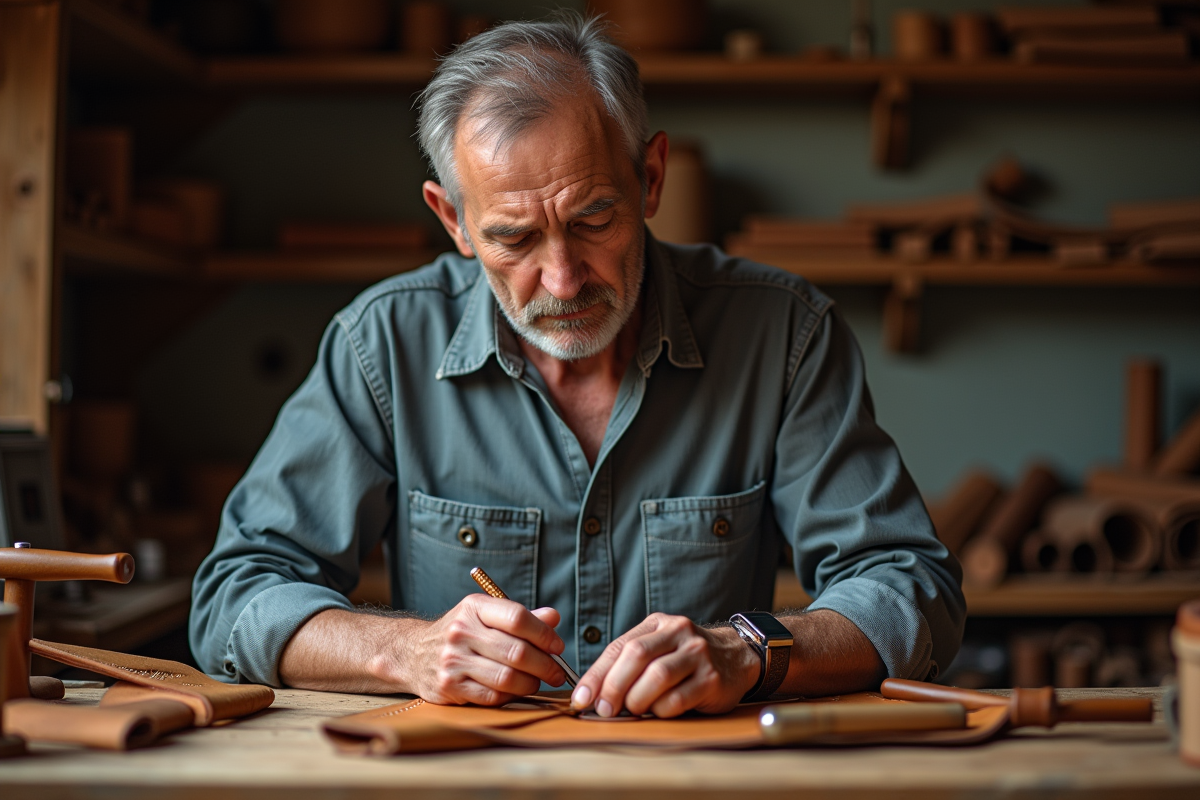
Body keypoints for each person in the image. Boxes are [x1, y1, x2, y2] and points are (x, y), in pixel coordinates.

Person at [190, 13, 964, 719]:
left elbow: (912, 590)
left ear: (650, 179)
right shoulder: (382, 344)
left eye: (594, 219)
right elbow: (233, 598)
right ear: (452, 219)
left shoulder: (784, 335)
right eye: (514, 239)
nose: (562, 280)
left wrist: (750, 650)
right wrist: (403, 652)